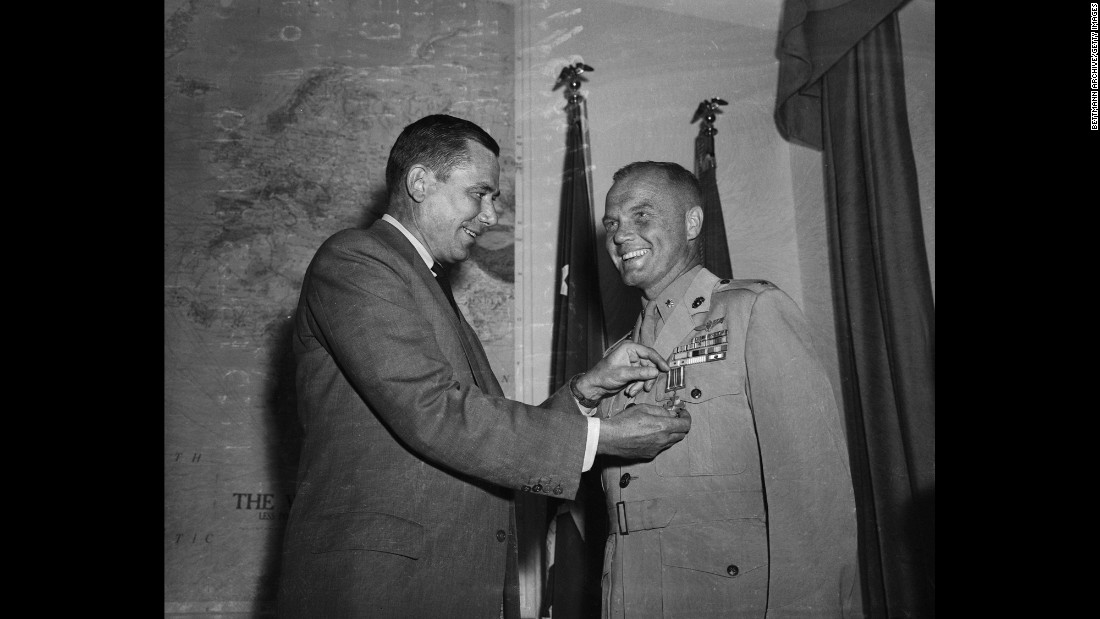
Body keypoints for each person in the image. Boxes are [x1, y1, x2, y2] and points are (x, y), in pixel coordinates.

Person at [276, 115, 691, 619]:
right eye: (480, 193)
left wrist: (585, 389)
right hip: (380, 588)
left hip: (444, 580)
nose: (491, 215)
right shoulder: (356, 261)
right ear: (420, 182)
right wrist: (603, 438)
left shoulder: (425, 284)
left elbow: (478, 422)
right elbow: (434, 412)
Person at [595, 161, 861, 618]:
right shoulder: (619, 355)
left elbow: (813, 497)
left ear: (692, 222)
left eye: (642, 216)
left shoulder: (752, 312)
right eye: (612, 223)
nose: (621, 235)